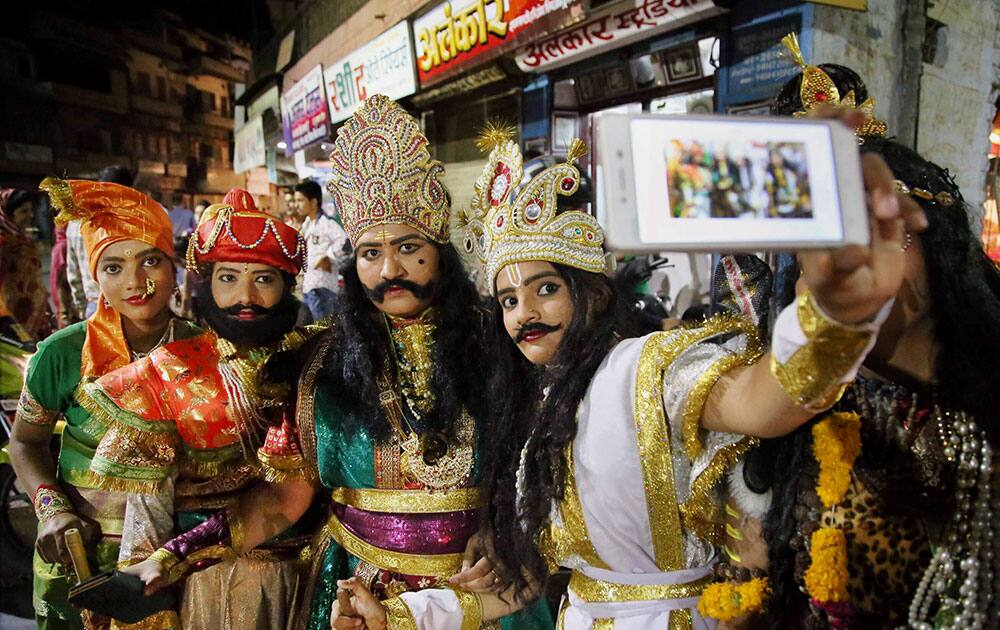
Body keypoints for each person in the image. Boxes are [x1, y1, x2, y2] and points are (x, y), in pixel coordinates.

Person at [331, 115, 922, 628]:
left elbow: (765, 403)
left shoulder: (645, 368)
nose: (524, 314)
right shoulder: (540, 416)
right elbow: (525, 584)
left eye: (545, 289)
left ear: (589, 294)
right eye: (508, 300)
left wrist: (831, 318)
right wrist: (404, 617)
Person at [121, 94, 551, 630]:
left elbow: (544, 459)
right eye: (371, 252)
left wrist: (506, 523)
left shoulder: (501, 344)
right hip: (360, 593)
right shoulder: (316, 362)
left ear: (441, 251)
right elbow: (283, 501)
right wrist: (176, 554)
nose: (390, 269)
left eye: (410, 248)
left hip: (486, 592)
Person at [721, 37, 1000, 630]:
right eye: (814, 250)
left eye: (863, 233)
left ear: (938, 239)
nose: (840, 270)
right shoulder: (781, 440)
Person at [81, 188, 316, 628]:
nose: (246, 296)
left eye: (264, 279)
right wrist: (149, 597)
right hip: (205, 581)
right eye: (228, 278)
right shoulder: (168, 373)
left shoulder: (314, 359)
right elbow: (148, 510)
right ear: (206, 285)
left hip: (307, 574)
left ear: (288, 287)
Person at [10, 178, 200, 630]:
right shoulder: (62, 353)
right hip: (81, 558)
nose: (134, 283)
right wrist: (52, 510)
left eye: (149, 261)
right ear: (95, 275)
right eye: (113, 267)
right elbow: (25, 442)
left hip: (171, 562)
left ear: (173, 268)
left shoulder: (206, 351)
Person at [66, 166, 133, 320]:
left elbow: (73, 272)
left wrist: (82, 307)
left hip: (93, 307)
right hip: (126, 307)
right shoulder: (129, 224)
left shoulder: (76, 223)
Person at [294, 179, 350, 323]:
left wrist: (329, 257)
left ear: (313, 202)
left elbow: (346, 242)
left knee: (325, 331)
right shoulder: (307, 224)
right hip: (308, 286)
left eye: (300, 200)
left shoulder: (327, 223)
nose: (296, 205)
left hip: (322, 287)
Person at [0, 188, 51, 340]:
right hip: (11, 318)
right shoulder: (3, 244)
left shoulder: (24, 241)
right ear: (8, 214)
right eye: (24, 211)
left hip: (34, 315)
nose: (31, 215)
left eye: (30, 210)